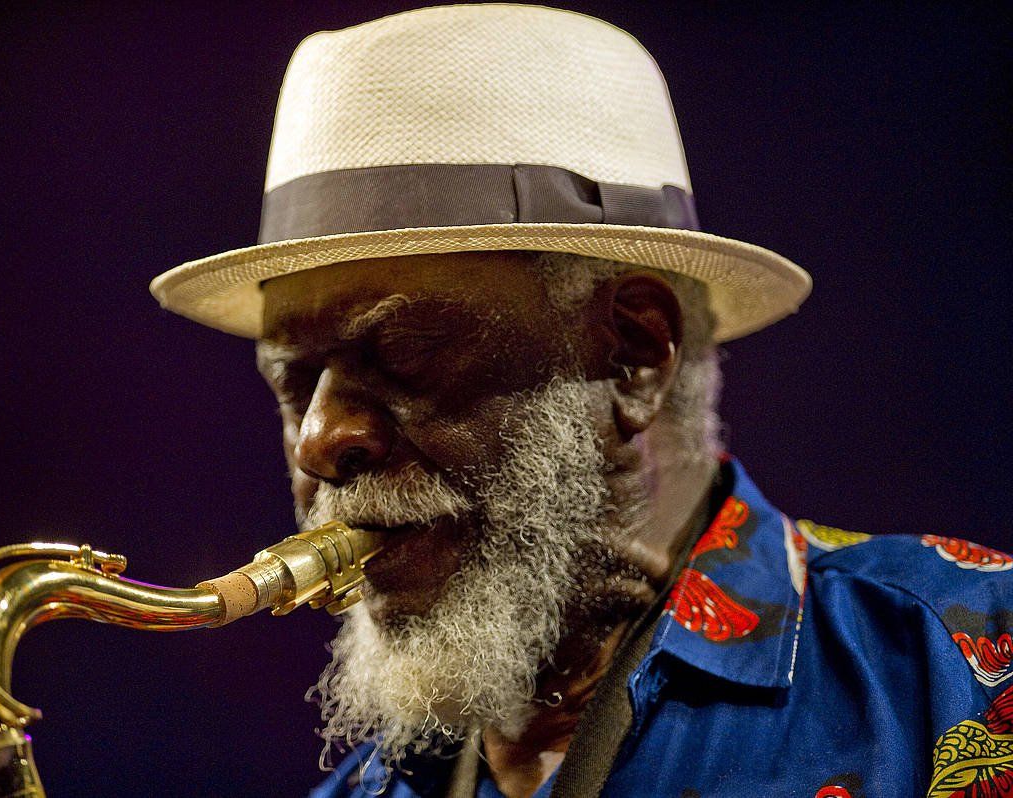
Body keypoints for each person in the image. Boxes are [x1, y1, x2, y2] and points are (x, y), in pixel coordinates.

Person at [149, 6, 1013, 797]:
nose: (321, 439)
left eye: (405, 352)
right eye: (294, 382)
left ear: (636, 354)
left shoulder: (965, 673)